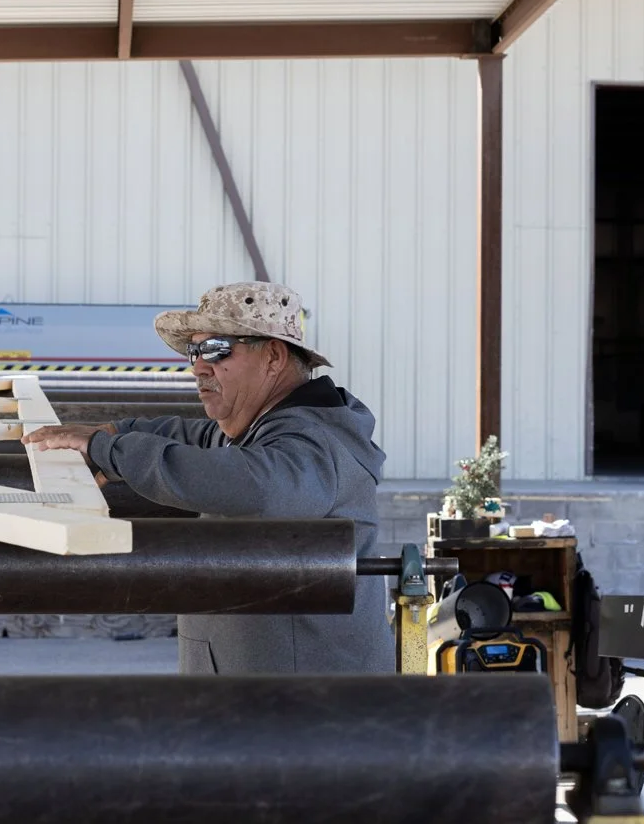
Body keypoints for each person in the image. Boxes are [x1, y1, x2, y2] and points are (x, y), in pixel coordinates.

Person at [23, 282, 394, 675]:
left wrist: (109, 450)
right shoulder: (257, 428)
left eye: (217, 350)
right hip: (252, 691)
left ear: (273, 356)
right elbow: (193, 436)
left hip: (306, 701)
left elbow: (255, 488)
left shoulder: (315, 443)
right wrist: (115, 432)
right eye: (193, 352)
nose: (198, 367)